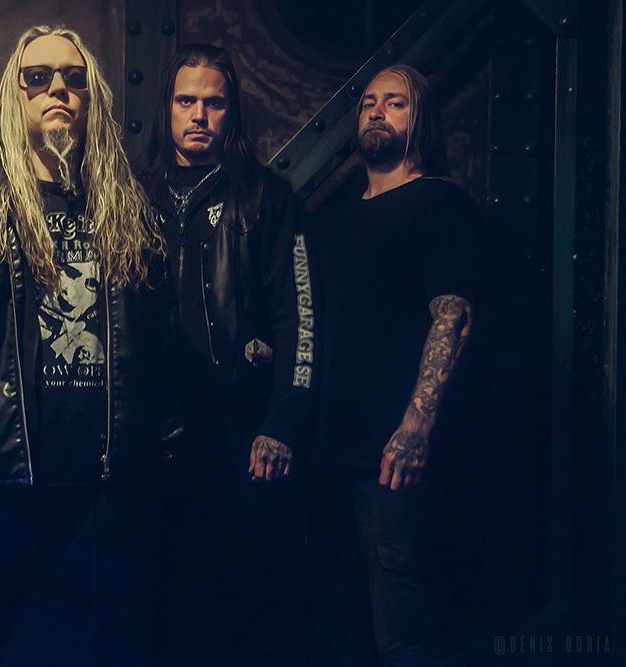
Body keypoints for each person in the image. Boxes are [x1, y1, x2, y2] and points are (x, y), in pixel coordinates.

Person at [0, 25, 178, 667]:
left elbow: (161, 353)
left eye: (74, 78)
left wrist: (150, 472)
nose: (58, 89)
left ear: (92, 98)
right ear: (14, 94)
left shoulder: (129, 207)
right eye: (39, 77)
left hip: (104, 501)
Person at [135, 44, 315, 667]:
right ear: (166, 107)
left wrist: (282, 422)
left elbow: (300, 314)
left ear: (232, 111)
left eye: (214, 103)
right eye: (186, 100)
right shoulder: (133, 194)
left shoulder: (264, 195)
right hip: (153, 432)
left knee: (249, 599)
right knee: (157, 596)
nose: (199, 115)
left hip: (243, 428)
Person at [306, 64, 482, 666]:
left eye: (395, 102)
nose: (376, 110)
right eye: (368, 102)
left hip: (392, 464)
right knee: (336, 634)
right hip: (326, 457)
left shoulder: (439, 202)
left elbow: (453, 318)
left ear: (420, 120)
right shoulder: (331, 220)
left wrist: (415, 428)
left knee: (408, 635)